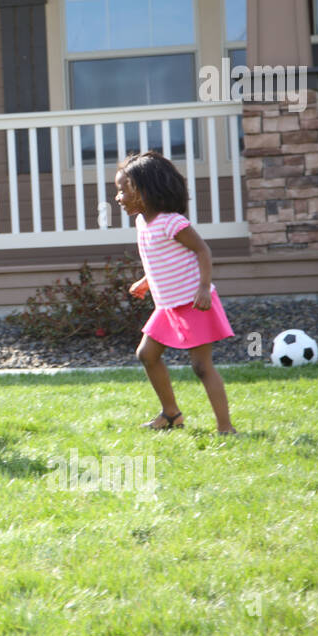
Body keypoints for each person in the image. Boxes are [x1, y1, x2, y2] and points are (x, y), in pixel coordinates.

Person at [114, 151, 237, 435]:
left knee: (201, 367)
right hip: (168, 305)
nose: (118, 198)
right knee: (146, 354)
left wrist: (204, 288)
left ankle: (226, 427)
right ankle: (171, 414)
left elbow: (202, 251)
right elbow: (163, 259)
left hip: (194, 302)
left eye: (123, 190)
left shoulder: (172, 222)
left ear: (145, 191)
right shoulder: (142, 223)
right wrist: (146, 281)